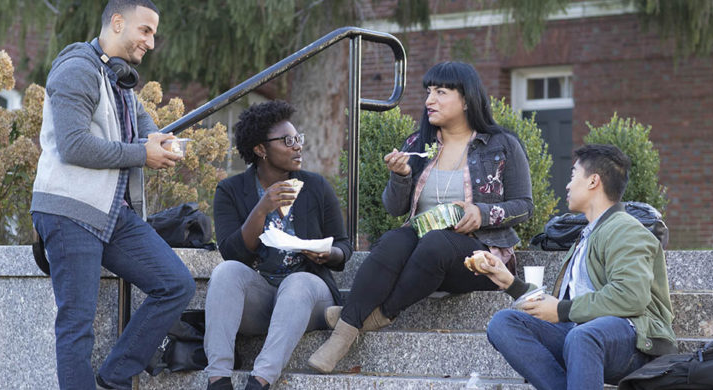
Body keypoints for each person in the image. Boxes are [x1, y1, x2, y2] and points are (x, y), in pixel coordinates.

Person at [307, 61, 534, 373]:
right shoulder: (418, 145)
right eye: (428, 92)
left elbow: (524, 205)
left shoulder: (500, 144)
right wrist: (400, 176)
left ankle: (376, 316)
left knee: (437, 242)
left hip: (480, 257)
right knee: (393, 240)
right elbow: (395, 208)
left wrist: (482, 214)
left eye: (440, 92)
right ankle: (344, 335)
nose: (430, 100)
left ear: (466, 99)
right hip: (423, 250)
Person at [29, 1, 196, 389]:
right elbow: (74, 146)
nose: (150, 42)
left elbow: (143, 126)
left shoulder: (118, 79)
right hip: (69, 212)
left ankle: (114, 379)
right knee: (77, 325)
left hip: (110, 213)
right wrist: (142, 153)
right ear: (117, 23)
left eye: (153, 33)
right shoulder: (77, 70)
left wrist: (159, 141)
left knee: (176, 284)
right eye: (145, 31)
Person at [479, 144, 676, 389]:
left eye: (573, 176)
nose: (568, 185)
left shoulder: (626, 229)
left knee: (582, 335)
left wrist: (563, 310)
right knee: (504, 323)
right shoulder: (586, 236)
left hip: (635, 344)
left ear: (593, 181)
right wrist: (508, 281)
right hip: (580, 336)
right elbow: (562, 306)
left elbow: (631, 296)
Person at [204, 100, 353, 390]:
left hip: (309, 295)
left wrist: (328, 253)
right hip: (261, 295)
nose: (297, 146)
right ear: (260, 149)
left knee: (297, 282)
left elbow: (344, 248)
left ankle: (260, 381)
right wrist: (262, 208)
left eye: (298, 139)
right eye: (288, 140)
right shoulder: (231, 191)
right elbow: (232, 254)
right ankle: (218, 378)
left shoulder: (316, 186)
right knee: (225, 273)